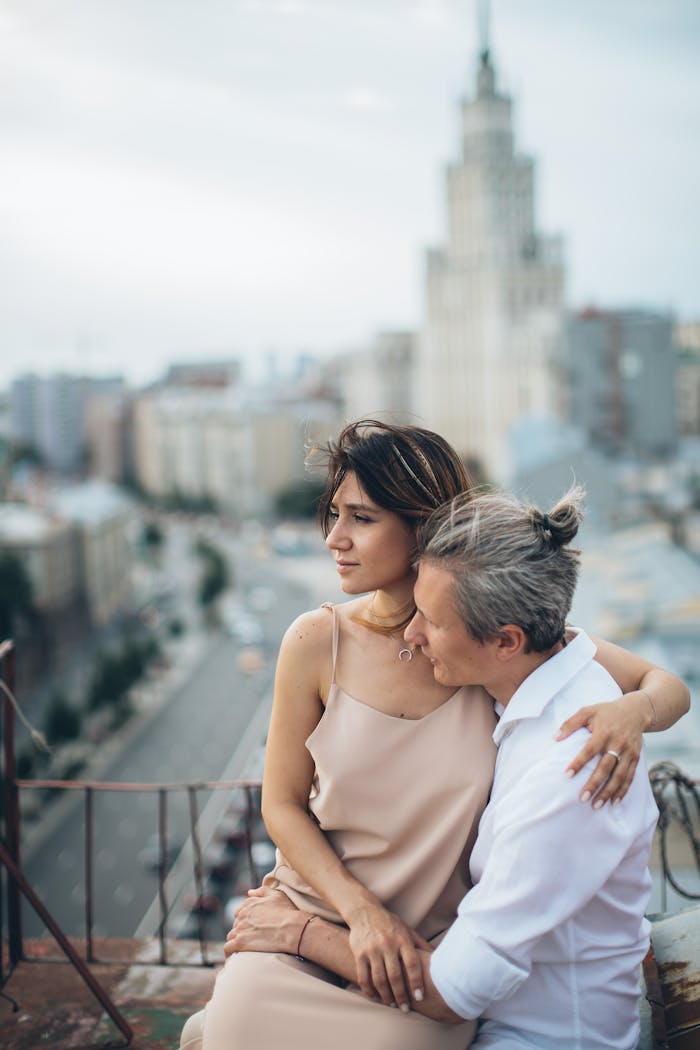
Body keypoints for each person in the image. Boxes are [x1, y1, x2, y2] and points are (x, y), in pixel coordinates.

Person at [181, 421, 689, 1050]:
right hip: (309, 916)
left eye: (361, 519)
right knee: (234, 1031)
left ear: (419, 526)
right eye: (333, 513)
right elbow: (280, 804)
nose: (333, 539)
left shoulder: (485, 639)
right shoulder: (315, 642)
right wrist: (359, 916)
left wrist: (631, 712)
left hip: (425, 959)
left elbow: (667, 686)